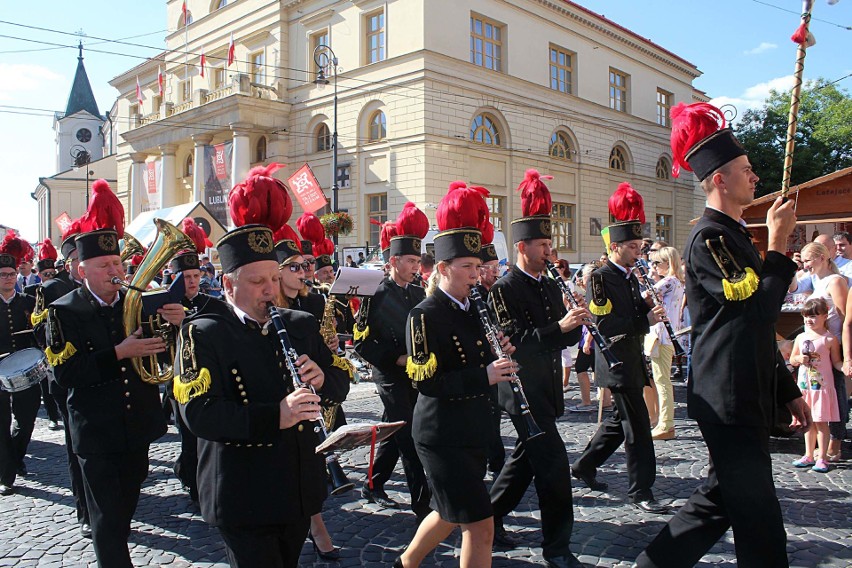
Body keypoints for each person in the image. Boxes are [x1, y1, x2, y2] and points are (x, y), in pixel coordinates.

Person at [637, 102, 810, 568]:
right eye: (746, 170)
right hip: (727, 396)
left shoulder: (731, 235)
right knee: (758, 517)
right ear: (720, 179)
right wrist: (777, 245)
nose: (755, 178)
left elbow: (753, 331)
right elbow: (757, 314)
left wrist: (787, 390)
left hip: (745, 391)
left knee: (720, 502)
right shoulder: (710, 238)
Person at [174, 220, 349, 568]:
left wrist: (323, 380)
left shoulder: (299, 324)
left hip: (298, 484)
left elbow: (339, 383)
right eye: (257, 282)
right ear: (228, 283)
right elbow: (199, 414)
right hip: (242, 490)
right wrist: (276, 415)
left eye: (273, 278)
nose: (269, 290)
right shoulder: (203, 333)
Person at [48, 179, 184, 568]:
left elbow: (169, 355)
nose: (115, 271)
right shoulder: (64, 311)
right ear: (82, 270)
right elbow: (65, 375)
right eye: (105, 265)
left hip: (138, 423)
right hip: (95, 429)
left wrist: (176, 323)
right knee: (107, 517)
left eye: (118, 264)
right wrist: (120, 353)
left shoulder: (139, 301)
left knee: (124, 506)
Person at [394, 186, 518, 568]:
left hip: (473, 428)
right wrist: (485, 374)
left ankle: (407, 563)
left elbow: (482, 360)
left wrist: (502, 352)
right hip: (442, 434)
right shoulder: (424, 314)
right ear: (444, 269)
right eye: (468, 267)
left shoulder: (475, 309)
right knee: (480, 527)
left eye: (478, 268)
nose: (476, 275)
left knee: (450, 514)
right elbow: (428, 384)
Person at [488, 170, 589, 567]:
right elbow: (515, 344)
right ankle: (557, 548)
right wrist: (558, 328)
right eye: (543, 244)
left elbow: (557, 341)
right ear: (522, 246)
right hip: (521, 388)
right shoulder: (503, 289)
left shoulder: (549, 284)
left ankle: (487, 518)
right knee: (552, 467)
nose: (550, 251)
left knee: (523, 463)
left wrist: (574, 328)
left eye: (550, 243)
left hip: (547, 386)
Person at [571, 182, 668, 515]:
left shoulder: (629, 275)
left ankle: (584, 464)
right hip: (614, 359)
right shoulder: (599, 277)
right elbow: (605, 324)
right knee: (637, 426)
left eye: (639, 245)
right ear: (614, 246)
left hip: (631, 357)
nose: (638, 251)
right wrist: (645, 318)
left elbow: (631, 313)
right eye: (632, 246)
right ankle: (641, 489)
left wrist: (648, 308)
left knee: (618, 421)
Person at [355, 203, 432, 520]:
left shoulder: (417, 293)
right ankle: (422, 503)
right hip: (388, 373)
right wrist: (397, 358)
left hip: (414, 374)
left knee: (394, 428)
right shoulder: (374, 292)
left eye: (418, 261)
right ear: (393, 261)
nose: (416, 266)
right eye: (411, 261)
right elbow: (361, 341)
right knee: (411, 436)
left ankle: (373, 483)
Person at [34, 228, 90, 535]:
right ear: (69, 262)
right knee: (76, 448)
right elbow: (41, 333)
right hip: (67, 378)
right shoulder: (52, 288)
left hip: (100, 376)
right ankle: (84, 510)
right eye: (78, 257)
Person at [167, 251, 229, 503]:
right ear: (173, 277)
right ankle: (193, 483)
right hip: (179, 382)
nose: (192, 281)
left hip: (209, 379)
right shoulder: (162, 304)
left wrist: (186, 321)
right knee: (188, 436)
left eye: (196, 275)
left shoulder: (213, 304)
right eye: (185, 277)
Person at [0, 237, 41, 496]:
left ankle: (15, 457)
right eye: (2, 274)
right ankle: (6, 475)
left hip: (26, 373)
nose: (7, 278)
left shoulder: (28, 302)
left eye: (11, 274)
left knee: (26, 421)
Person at [789, 297, 841, 473]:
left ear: (825, 316)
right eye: (806, 317)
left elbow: (836, 362)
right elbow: (792, 359)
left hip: (821, 389)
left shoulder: (829, 339)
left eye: (813, 316)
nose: (809, 320)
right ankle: (808, 454)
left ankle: (822, 457)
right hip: (805, 388)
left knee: (821, 423)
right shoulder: (800, 337)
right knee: (807, 423)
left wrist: (846, 366)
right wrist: (798, 359)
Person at [642, 246, 685, 440]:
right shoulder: (677, 282)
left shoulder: (668, 281)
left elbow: (644, 297)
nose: (654, 266)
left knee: (662, 382)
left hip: (661, 335)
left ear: (667, 263)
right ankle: (663, 421)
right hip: (666, 336)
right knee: (662, 381)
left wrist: (649, 276)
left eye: (657, 263)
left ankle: (666, 424)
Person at [24, 238, 63, 431]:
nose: (49, 276)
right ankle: (52, 416)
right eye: (46, 274)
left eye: (52, 273)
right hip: (41, 340)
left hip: (59, 338)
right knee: (45, 382)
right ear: (39, 275)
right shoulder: (32, 291)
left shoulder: (60, 287)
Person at [477, 239, 506, 477]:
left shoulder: (495, 291)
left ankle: (495, 461)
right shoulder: (475, 293)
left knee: (494, 413)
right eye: (492, 267)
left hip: (495, 362)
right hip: (482, 364)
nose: (497, 271)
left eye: (498, 266)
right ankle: (494, 462)